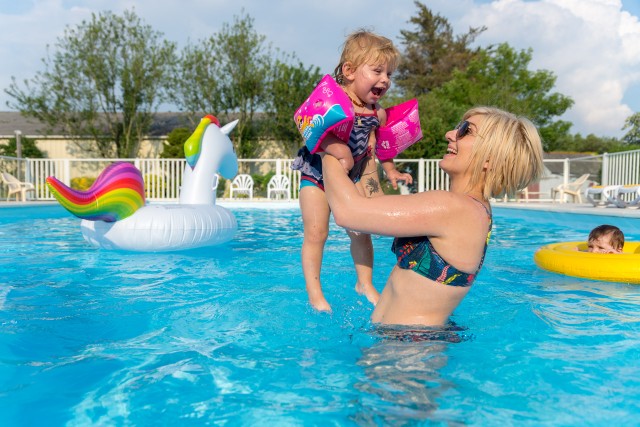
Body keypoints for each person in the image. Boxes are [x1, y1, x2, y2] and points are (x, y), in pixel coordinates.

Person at [322, 106, 544, 326]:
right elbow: (371, 209)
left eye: (466, 130)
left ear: (490, 159)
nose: (450, 134)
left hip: (406, 352)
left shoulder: (453, 208)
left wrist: (327, 144)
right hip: (416, 344)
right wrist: (369, 153)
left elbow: (347, 213)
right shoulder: (474, 211)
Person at [291, 30, 413, 312]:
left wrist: (391, 170)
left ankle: (364, 283)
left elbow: (381, 145)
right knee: (316, 232)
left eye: (390, 74)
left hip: (353, 174)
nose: (385, 79)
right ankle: (315, 294)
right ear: (349, 71)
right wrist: (336, 146)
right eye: (377, 71)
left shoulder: (375, 111)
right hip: (316, 175)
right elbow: (310, 128)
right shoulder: (333, 101)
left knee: (361, 231)